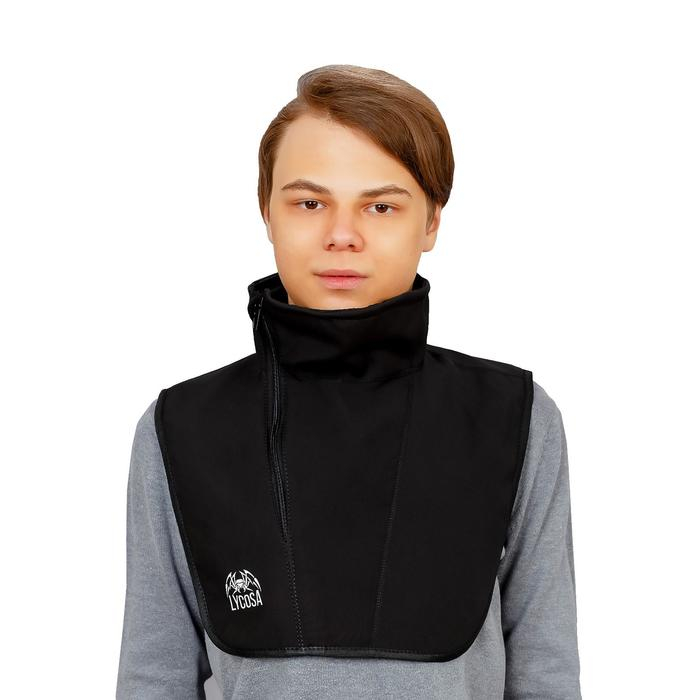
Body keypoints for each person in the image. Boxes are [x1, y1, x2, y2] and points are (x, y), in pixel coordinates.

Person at [116, 64, 582, 699]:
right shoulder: (181, 428)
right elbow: (153, 679)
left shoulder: (515, 418)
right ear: (267, 212)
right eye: (310, 203)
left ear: (431, 222)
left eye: (380, 206)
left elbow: (547, 678)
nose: (342, 235)